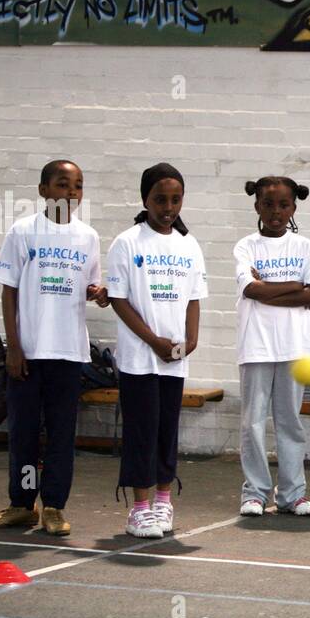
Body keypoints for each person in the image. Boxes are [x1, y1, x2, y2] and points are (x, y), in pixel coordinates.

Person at [0, 160, 108, 537]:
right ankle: (22, 504)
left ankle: (54, 505)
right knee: (23, 433)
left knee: (61, 433)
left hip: (68, 352)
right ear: (43, 190)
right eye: (62, 184)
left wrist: (98, 295)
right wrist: (13, 347)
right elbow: (9, 290)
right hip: (29, 352)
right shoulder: (23, 232)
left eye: (78, 186)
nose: (70, 192)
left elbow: (92, 288)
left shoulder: (88, 237)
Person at [105, 163, 208, 539]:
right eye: (160, 199)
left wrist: (190, 341)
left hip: (174, 359)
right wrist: (153, 341)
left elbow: (194, 298)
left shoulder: (188, 244)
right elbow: (118, 299)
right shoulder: (128, 242)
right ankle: (140, 508)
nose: (168, 206)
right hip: (139, 358)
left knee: (167, 430)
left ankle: (164, 498)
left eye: (176, 199)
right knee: (142, 431)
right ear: (144, 199)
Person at [235, 176, 310, 517]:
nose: (275, 212)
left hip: (295, 348)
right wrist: (294, 287)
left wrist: (267, 285)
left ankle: (292, 493)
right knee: (252, 422)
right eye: (268, 204)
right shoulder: (246, 246)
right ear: (257, 206)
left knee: (290, 422)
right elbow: (250, 291)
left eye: (283, 205)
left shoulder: (305, 247)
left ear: (293, 208)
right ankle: (254, 492)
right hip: (256, 346)